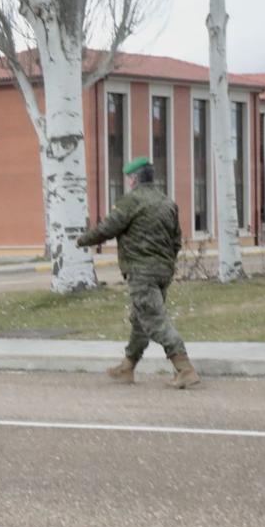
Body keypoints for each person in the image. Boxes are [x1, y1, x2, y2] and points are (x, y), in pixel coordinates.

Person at [76, 156, 200, 389]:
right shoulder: (167, 203)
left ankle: (184, 368)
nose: (128, 182)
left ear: (134, 179)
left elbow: (108, 228)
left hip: (141, 271)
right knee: (140, 319)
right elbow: (176, 241)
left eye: (128, 178)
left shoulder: (131, 202)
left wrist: (81, 240)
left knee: (154, 320)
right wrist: (166, 263)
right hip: (163, 271)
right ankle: (127, 367)